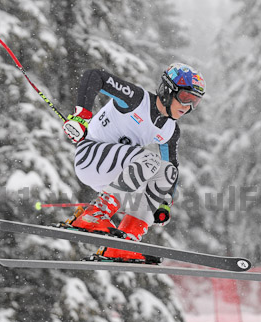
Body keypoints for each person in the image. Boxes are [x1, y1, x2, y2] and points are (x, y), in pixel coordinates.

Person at [62, 63, 206, 262]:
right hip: (90, 157)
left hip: (114, 175)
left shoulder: (170, 130)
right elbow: (94, 75)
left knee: (167, 173)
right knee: (149, 159)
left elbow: (171, 167)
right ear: (168, 90)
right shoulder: (136, 99)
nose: (187, 108)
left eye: (195, 103)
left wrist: (164, 203)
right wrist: (81, 117)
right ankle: (93, 217)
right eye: (185, 99)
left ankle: (125, 243)